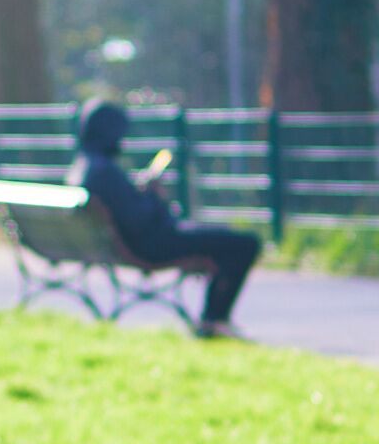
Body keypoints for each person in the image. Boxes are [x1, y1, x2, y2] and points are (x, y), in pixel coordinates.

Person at [73, 101, 263, 338]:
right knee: (244, 243)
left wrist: (141, 193)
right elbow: (139, 220)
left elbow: (127, 210)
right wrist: (153, 195)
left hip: (143, 240)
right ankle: (214, 319)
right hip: (153, 245)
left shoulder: (85, 167)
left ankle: (214, 320)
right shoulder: (104, 171)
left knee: (225, 236)